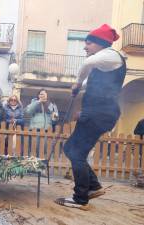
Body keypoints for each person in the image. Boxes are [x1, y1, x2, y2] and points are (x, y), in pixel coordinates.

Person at [55, 24, 126, 210]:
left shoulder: (110, 55)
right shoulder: (104, 62)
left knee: (75, 151)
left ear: (100, 43)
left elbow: (87, 65)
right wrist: (80, 88)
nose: (85, 47)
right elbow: (91, 82)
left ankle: (80, 198)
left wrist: (77, 84)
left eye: (88, 43)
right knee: (73, 149)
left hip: (99, 114)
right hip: (98, 113)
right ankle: (92, 187)